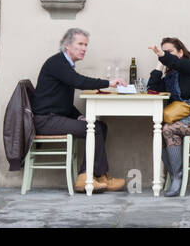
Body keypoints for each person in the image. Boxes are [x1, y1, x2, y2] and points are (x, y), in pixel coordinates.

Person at [29, 27, 126, 192]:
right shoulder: (57, 63)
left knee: (100, 126)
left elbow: (62, 102)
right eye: (80, 44)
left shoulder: (65, 65)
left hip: (54, 117)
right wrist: (109, 83)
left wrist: (79, 116)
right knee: (94, 130)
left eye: (86, 45)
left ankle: (99, 176)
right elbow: (79, 82)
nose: (84, 49)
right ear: (67, 45)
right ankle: (85, 177)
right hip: (46, 120)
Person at [146, 37, 190, 197]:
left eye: (170, 52)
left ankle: (177, 177)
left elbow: (176, 63)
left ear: (181, 52)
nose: (165, 55)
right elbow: (152, 88)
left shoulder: (189, 65)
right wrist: (160, 64)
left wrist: (163, 55)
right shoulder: (170, 77)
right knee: (158, 130)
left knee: (168, 130)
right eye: (163, 52)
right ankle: (175, 174)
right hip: (186, 119)